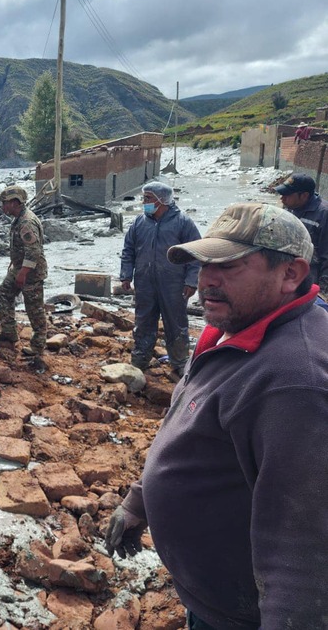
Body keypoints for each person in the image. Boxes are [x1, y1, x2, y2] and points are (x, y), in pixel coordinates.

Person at [104, 203, 328, 630]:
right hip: (211, 595)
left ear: (291, 274)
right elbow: (187, 426)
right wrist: (141, 499)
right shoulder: (234, 327)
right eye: (204, 264)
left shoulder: (296, 382)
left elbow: (304, 550)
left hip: (239, 616)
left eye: (230, 266)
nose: (207, 280)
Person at [119, 181, 201, 376]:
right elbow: (128, 250)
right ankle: (140, 360)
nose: (143, 202)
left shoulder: (183, 222)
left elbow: (195, 253)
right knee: (143, 321)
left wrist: (192, 281)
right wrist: (126, 275)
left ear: (162, 200)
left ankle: (180, 362)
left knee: (176, 323)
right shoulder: (139, 222)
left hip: (173, 284)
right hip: (145, 283)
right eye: (144, 197)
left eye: (148, 198)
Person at [0, 185, 48, 358]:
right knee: (3, 293)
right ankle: (9, 332)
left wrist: (23, 274)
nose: (3, 207)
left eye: (5, 203)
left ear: (15, 202)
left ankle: (38, 347)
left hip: (31, 272)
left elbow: (34, 251)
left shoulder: (26, 222)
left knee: (34, 309)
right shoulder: (18, 219)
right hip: (19, 268)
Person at [274, 172, 328, 296]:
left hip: (311, 274)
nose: (282, 198)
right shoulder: (288, 207)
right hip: (288, 269)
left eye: (287, 195)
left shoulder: (323, 214)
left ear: (304, 196)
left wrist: (323, 291)